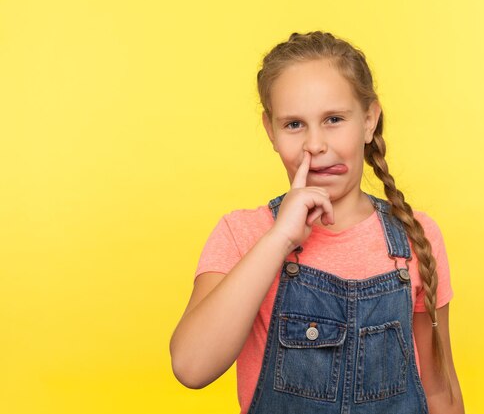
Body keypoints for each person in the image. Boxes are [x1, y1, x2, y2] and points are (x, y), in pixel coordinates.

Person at [170, 31, 465, 414]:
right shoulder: (243, 235)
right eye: (294, 124)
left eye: (334, 119)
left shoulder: (415, 236)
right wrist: (280, 238)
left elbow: (439, 391)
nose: (314, 144)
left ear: (369, 121)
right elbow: (192, 367)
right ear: (270, 131)